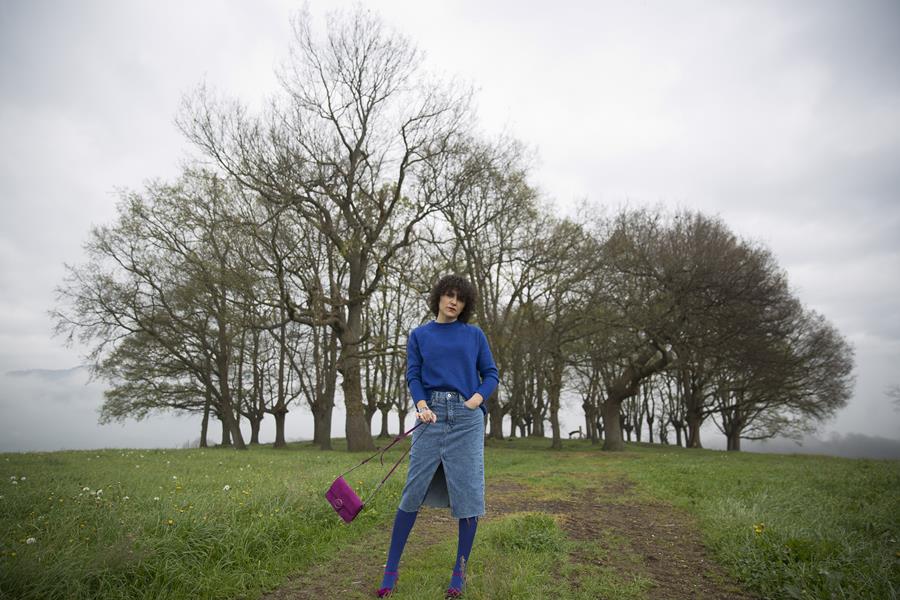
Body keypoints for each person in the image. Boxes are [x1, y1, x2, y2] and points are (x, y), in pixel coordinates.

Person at [376, 274, 499, 598]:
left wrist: (476, 400)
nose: (453, 301)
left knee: (469, 494)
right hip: (428, 416)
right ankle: (390, 569)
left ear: (465, 304)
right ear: (439, 298)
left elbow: (491, 373)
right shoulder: (420, 335)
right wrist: (420, 404)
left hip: (466, 419)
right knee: (412, 492)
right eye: (448, 295)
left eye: (459, 297)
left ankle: (459, 573)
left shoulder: (474, 335)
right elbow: (413, 375)